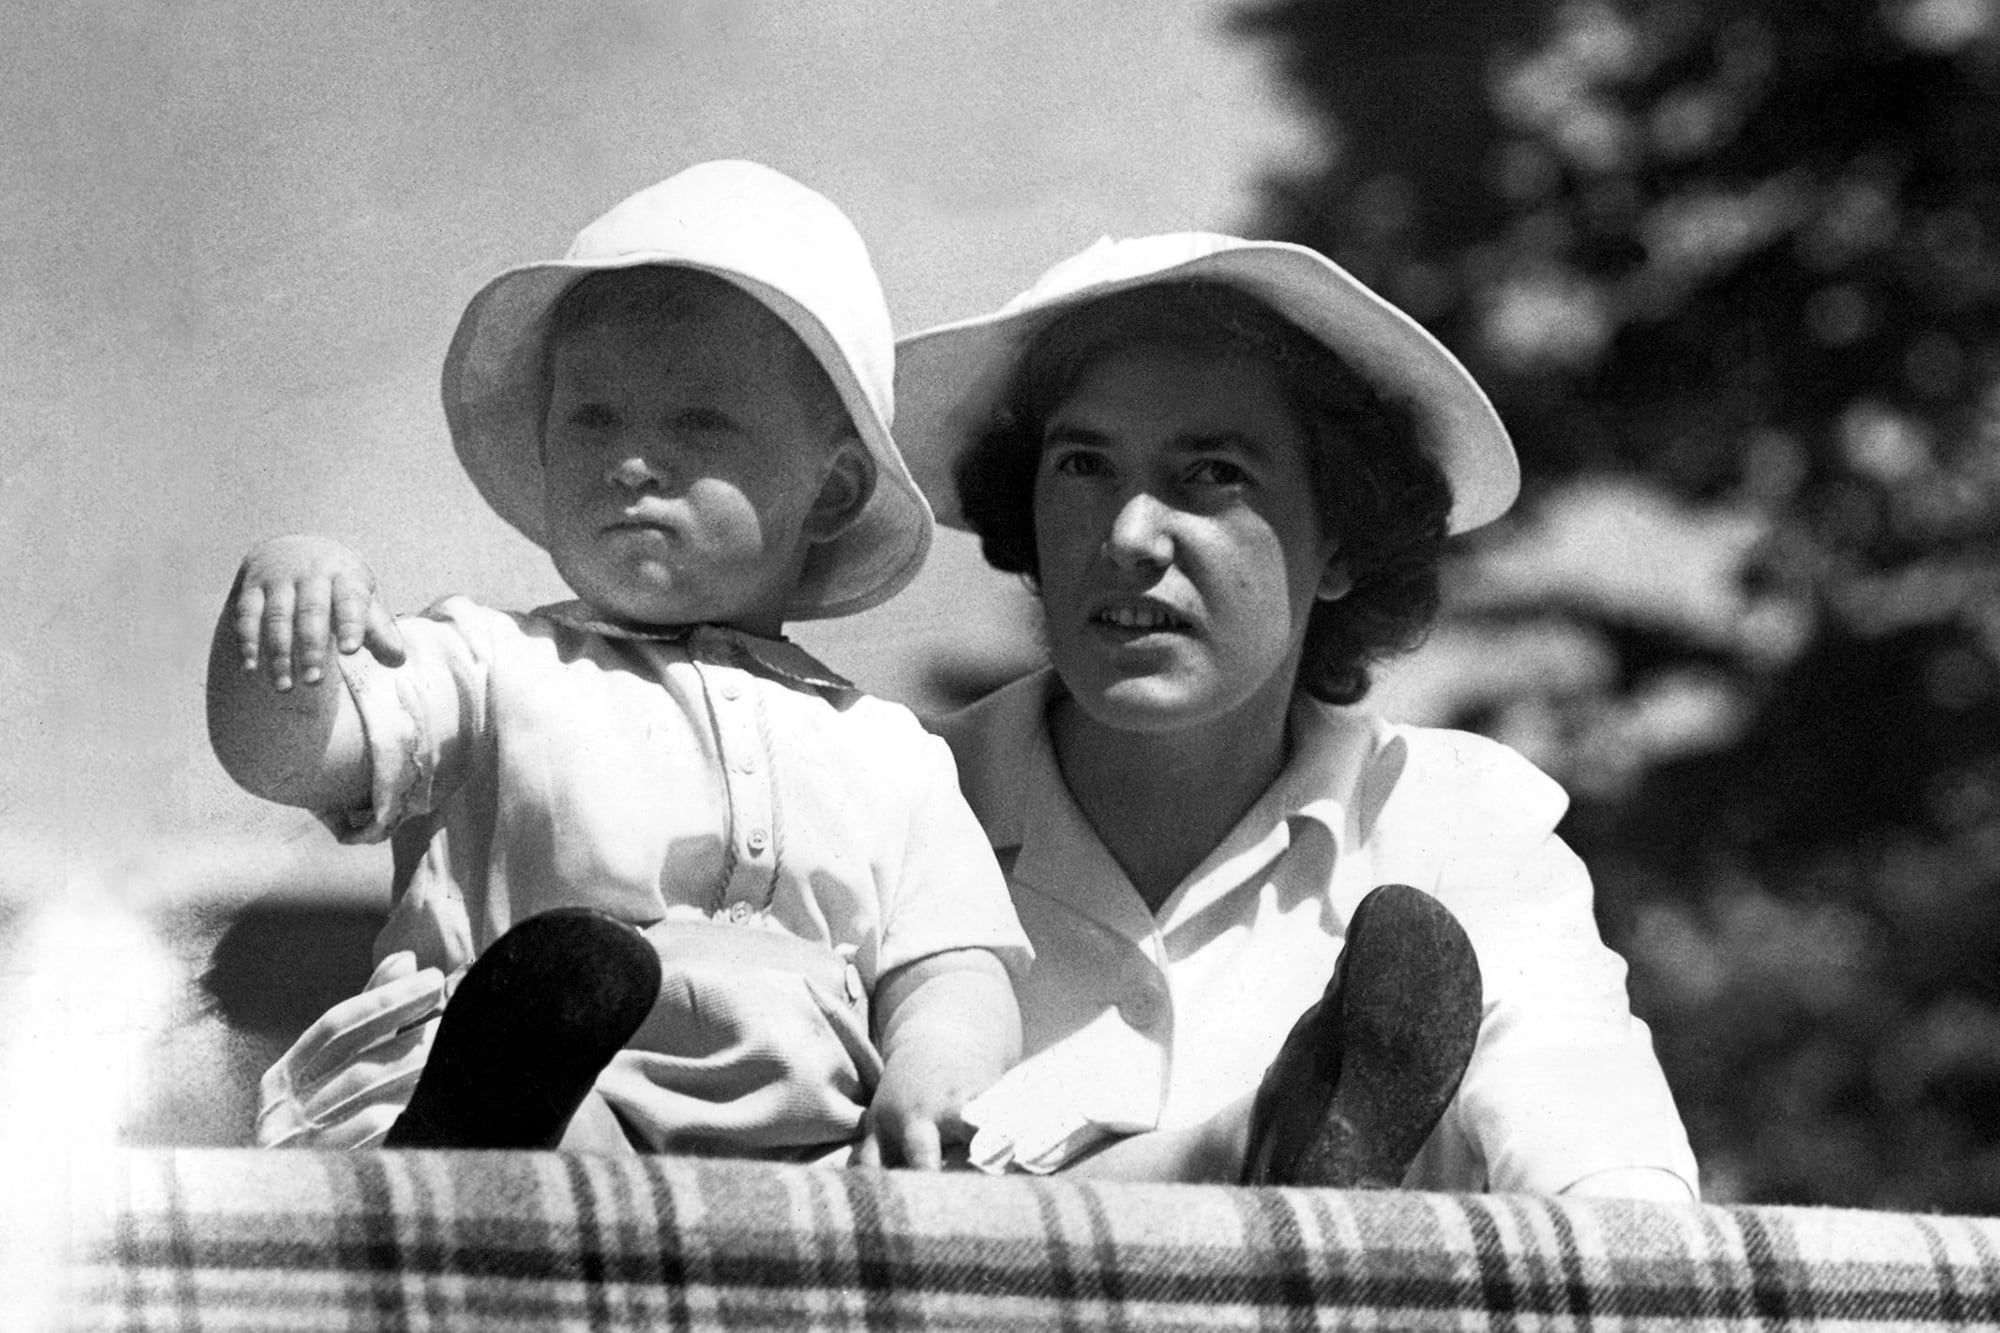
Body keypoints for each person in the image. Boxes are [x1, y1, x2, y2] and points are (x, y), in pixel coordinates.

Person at [208, 160, 1029, 1167]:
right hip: (533, 1083)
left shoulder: (889, 750)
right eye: (593, 418)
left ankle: (582, 1193)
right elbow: (297, 758)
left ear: (831, 487)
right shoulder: (488, 663)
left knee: (855, 1159)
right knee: (548, 1070)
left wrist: (933, 1070)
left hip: (787, 1137)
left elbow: (952, 962)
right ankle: (504, 1128)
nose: (631, 461)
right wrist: (285, 619)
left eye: (697, 421)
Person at [893, 233, 1701, 1199]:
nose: (1129, 535)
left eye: (1215, 474)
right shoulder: (886, 803)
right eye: (1081, 464)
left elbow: (1603, 1158)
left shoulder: (1456, 826)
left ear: (1340, 543)